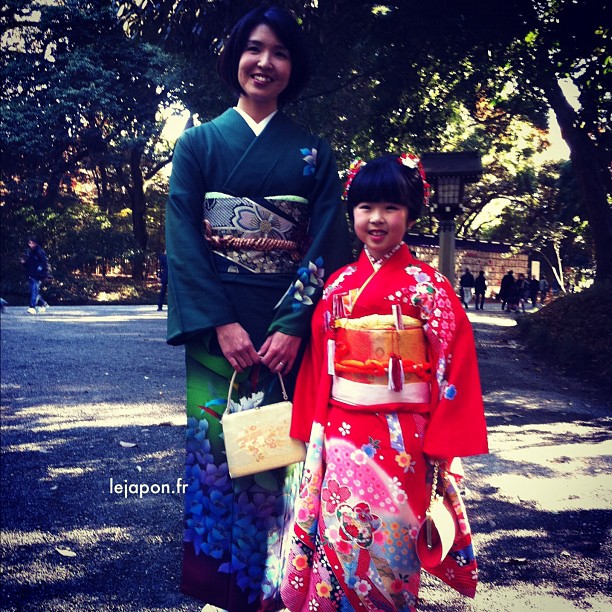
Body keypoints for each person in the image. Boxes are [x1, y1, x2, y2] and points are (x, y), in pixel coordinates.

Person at [165, 6, 352, 610]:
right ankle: (224, 590)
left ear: (292, 67)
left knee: (281, 461)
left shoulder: (314, 154)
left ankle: (281, 590)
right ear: (234, 57)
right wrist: (221, 324)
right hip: (217, 328)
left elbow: (325, 239)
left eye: (279, 52)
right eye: (253, 48)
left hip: (286, 337)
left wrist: (295, 326)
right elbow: (185, 241)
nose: (263, 62)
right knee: (219, 460)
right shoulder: (196, 144)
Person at [280, 155, 488, 611]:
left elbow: (454, 365)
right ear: (352, 212)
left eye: (390, 207)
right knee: (337, 541)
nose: (376, 219)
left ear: (411, 213)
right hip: (341, 435)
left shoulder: (427, 287)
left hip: (402, 443)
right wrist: (312, 431)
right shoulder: (338, 285)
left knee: (392, 553)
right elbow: (320, 365)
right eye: (365, 206)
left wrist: (441, 442)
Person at [20, 237, 50, 314]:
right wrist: (24, 263)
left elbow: (44, 263)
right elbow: (29, 264)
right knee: (34, 291)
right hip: (30, 274)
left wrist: (40, 271)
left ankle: (32, 307)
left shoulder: (40, 252)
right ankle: (43, 303)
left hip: (37, 275)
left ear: (35, 243)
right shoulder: (30, 252)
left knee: (34, 290)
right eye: (29, 243)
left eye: (31, 242)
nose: (29, 244)